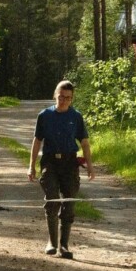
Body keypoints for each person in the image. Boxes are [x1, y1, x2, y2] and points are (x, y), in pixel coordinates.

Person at [27, 80, 94, 259]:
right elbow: (37, 141)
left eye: (67, 98)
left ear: (72, 99)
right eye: (60, 96)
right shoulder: (44, 115)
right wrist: (31, 166)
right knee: (52, 200)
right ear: (55, 95)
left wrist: (90, 165)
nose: (63, 100)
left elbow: (85, 143)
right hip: (50, 162)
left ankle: (64, 246)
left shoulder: (76, 117)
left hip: (70, 163)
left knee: (69, 203)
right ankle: (52, 242)